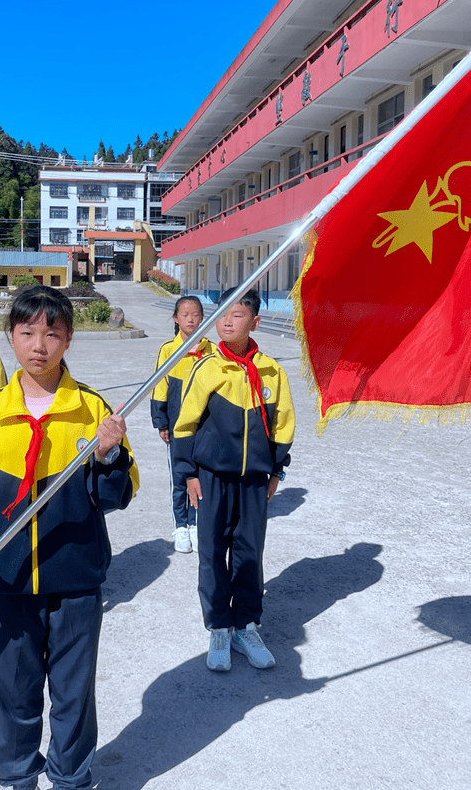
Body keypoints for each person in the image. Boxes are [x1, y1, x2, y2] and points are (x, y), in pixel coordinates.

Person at [0, 285, 139, 790]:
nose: (39, 345)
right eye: (27, 332)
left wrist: (109, 457)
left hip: (75, 580)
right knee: (13, 687)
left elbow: (119, 495)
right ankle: (17, 776)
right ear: (10, 337)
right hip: (7, 577)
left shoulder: (92, 411)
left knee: (73, 691)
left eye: (52, 333)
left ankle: (72, 776)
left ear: (69, 340)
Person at [172, 288, 295, 673]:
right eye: (222, 314)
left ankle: (245, 625)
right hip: (212, 478)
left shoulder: (272, 371)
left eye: (237, 315)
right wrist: (188, 473)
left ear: (255, 322)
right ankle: (219, 627)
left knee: (248, 553)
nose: (226, 321)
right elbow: (185, 424)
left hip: (255, 481)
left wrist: (276, 470)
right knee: (211, 553)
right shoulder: (206, 368)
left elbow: (284, 426)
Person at [150, 296, 214, 553]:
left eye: (196, 314)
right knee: (179, 477)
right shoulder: (168, 350)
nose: (191, 318)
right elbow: (159, 387)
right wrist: (161, 422)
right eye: (185, 314)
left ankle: (197, 525)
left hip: (205, 428)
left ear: (203, 318)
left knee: (202, 476)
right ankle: (180, 526)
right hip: (177, 429)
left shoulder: (212, 350)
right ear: (176, 319)